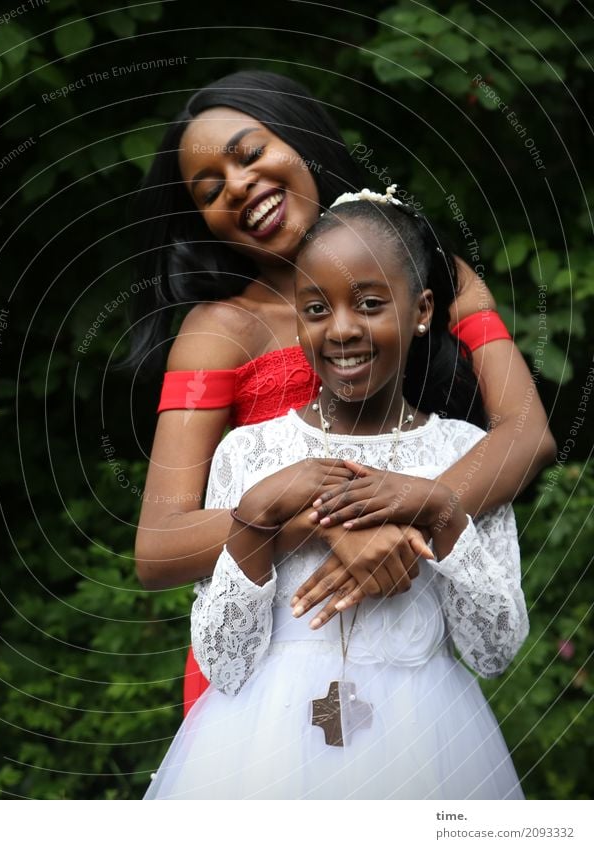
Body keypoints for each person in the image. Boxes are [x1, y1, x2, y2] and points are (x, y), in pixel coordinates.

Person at [128, 71, 554, 717]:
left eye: (249, 153)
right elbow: (159, 546)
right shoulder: (218, 330)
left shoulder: (434, 273)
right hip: (269, 663)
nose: (238, 185)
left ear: (301, 140)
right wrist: (318, 526)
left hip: (410, 649)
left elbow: (526, 434)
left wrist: (401, 519)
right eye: (211, 189)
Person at [143, 187, 528, 799]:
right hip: (261, 748)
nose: (342, 329)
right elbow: (224, 662)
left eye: (370, 304)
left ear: (422, 309)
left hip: (426, 744)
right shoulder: (250, 455)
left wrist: (442, 508)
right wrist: (255, 517)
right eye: (316, 309)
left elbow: (495, 650)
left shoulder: (460, 452)